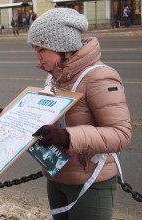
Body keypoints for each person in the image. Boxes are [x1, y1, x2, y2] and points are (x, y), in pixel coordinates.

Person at [27, 8, 132, 220]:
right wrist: (15, 116)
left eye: (40, 50)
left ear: (61, 47)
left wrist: (68, 137)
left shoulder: (99, 77)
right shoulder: (55, 77)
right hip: (57, 177)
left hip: (91, 182)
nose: (36, 57)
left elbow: (121, 134)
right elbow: (46, 115)